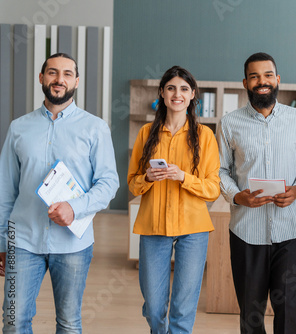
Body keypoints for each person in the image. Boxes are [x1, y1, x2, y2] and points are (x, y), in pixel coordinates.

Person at [0, 53, 119, 333]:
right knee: (13, 321)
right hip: (22, 240)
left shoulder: (95, 128)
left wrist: (74, 208)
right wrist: (3, 240)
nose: (59, 79)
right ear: (42, 78)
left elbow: (108, 182)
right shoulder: (18, 128)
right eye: (52, 73)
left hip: (73, 245)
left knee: (68, 322)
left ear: (76, 81)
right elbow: (5, 189)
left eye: (67, 74)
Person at [216, 52, 296, 334]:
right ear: (245, 83)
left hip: (290, 231)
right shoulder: (228, 123)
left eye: (268, 75)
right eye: (255, 76)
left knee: (289, 311)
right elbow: (220, 170)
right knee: (251, 313)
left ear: (278, 79)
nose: (262, 81)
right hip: (246, 231)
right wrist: (238, 196)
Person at [127, 66, 220, 334]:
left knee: (183, 306)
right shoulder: (146, 133)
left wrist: (183, 177)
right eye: (170, 88)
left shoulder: (205, 136)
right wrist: (148, 178)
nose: (176, 94)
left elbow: (213, 188)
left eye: (183, 89)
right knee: (155, 307)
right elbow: (132, 183)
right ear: (162, 94)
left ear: (192, 95)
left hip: (193, 229)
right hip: (153, 226)